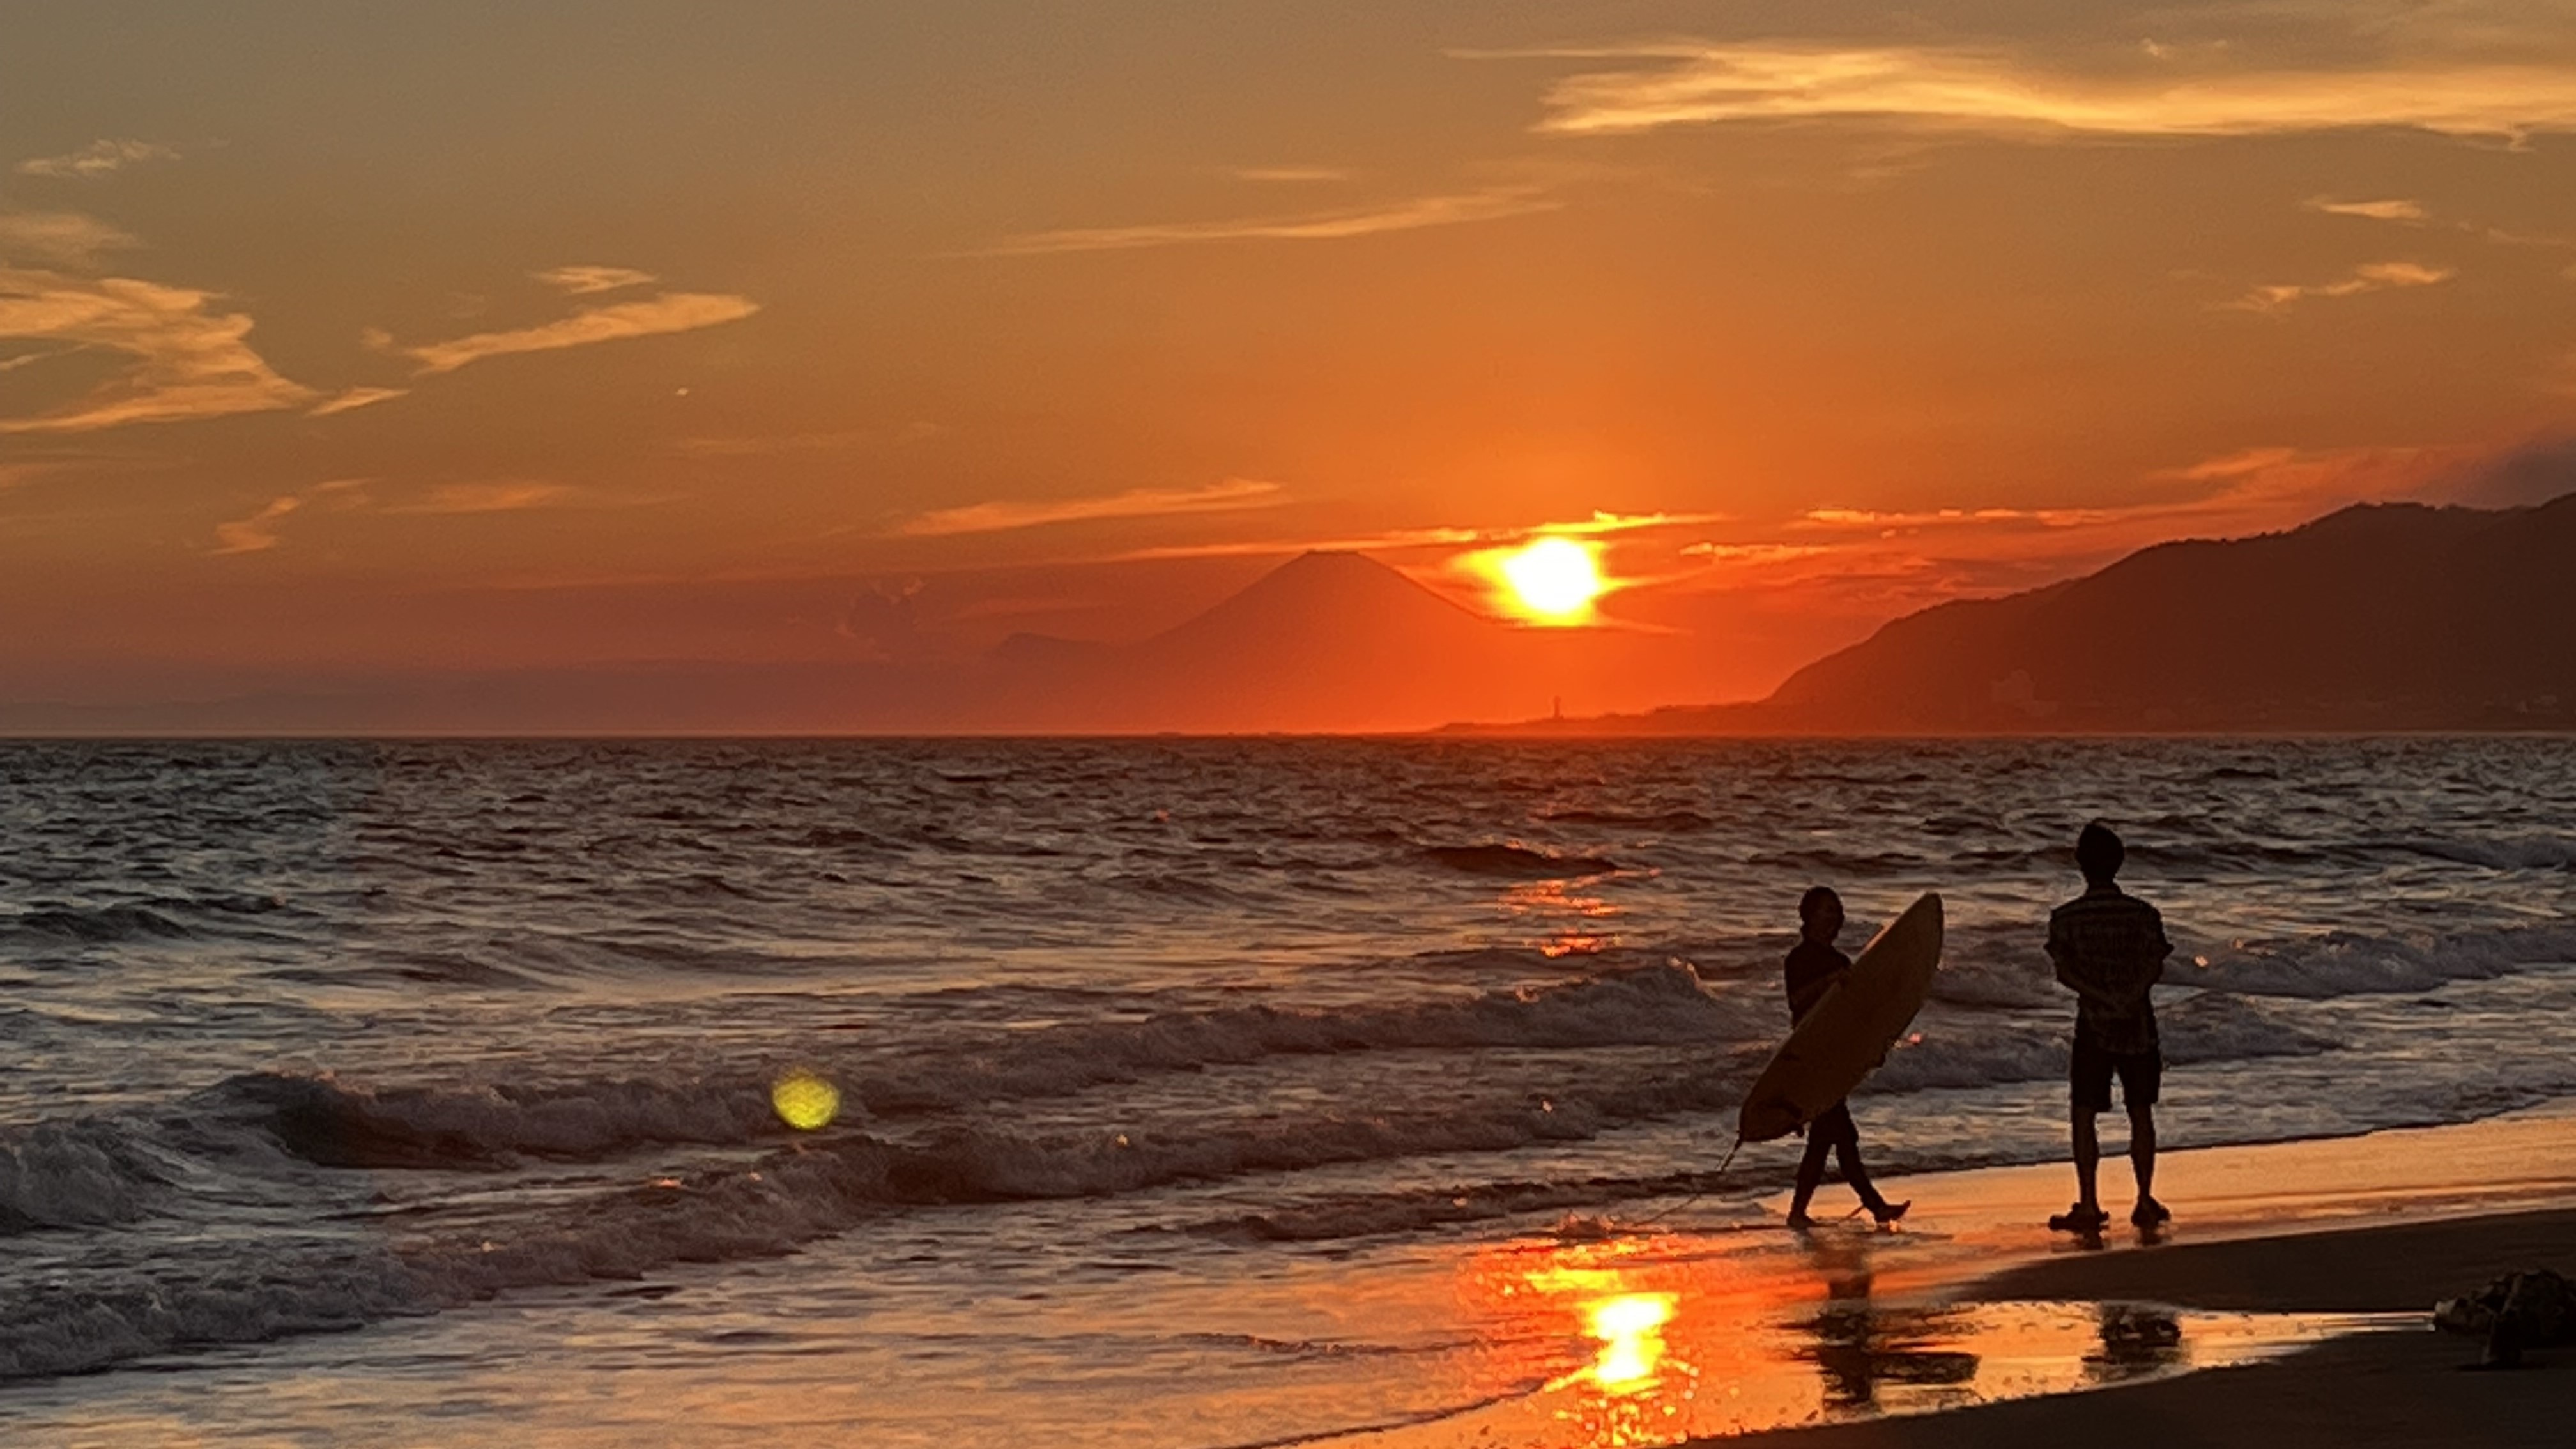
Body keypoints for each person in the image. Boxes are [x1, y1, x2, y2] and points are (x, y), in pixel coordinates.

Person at [2046, 822, 2173, 1234]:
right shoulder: (2143, 914)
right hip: (2138, 1021)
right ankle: (2144, 1200)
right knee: (2141, 1112)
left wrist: (2101, 998)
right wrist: (2128, 996)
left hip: (2093, 1023)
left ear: (2081, 865)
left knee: (2084, 1114)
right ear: (2119, 863)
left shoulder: (2066, 918)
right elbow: (2154, 965)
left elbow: (2065, 974)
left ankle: (2088, 1203)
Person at [1783, 886, 1909, 1229]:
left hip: (1837, 1059)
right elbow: (1797, 1004)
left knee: (1823, 1141)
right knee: (1842, 1136)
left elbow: (1857, 1013)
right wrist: (1830, 983)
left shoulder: (1842, 962)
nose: (1835, 916)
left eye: (1837, 910)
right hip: (1813, 1058)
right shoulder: (1798, 959)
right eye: (1828, 910)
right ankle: (1876, 1206)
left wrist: (1872, 1049)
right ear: (1808, 916)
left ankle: (1798, 1213)